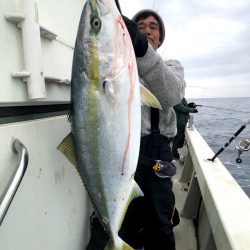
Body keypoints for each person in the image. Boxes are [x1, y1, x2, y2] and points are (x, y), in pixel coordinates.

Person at [87, 9, 185, 250]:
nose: (146, 30)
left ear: (160, 38)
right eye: (140, 27)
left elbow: (172, 93)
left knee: (159, 224)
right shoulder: (118, 66)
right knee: (125, 223)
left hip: (157, 156)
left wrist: (142, 50)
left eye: (153, 27)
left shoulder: (171, 65)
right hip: (122, 153)